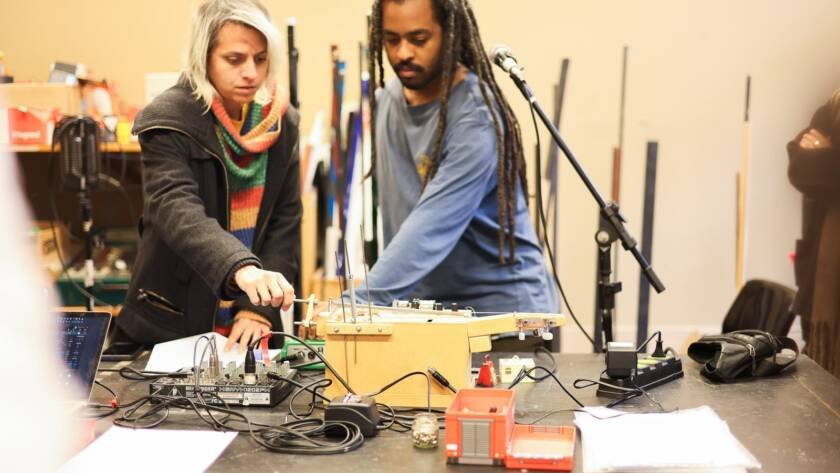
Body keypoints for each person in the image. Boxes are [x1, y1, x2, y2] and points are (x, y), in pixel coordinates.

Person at [116, 0, 300, 352]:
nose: (251, 73)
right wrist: (242, 270)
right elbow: (177, 210)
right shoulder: (168, 119)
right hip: (169, 325)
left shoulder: (282, 123)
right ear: (204, 57)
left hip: (248, 325)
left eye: (260, 59)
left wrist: (256, 307)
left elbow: (285, 220)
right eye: (234, 59)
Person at [353, 0, 558, 313]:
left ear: (449, 33)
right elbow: (399, 223)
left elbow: (428, 229)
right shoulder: (388, 100)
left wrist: (355, 305)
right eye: (392, 40)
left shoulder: (476, 118)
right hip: (429, 311)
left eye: (418, 39)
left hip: (503, 314)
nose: (403, 53)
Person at [788, 89, 840, 378]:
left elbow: (815, 167)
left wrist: (825, 156)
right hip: (823, 283)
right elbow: (799, 169)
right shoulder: (833, 107)